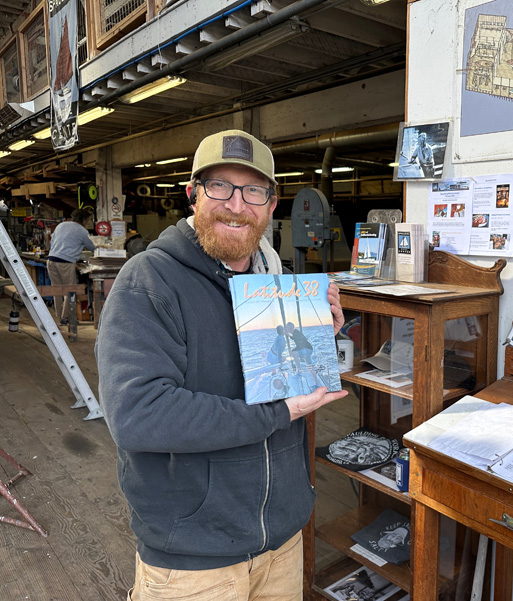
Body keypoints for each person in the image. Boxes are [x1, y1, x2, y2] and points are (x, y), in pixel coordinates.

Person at [95, 129, 348, 601]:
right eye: (220, 187)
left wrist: (316, 338)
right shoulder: (149, 282)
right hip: (195, 561)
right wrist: (279, 413)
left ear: (271, 205)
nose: (236, 205)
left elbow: (278, 379)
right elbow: (139, 415)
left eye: (253, 190)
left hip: (283, 543)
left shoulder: (278, 282)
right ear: (192, 195)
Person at [47, 208, 95, 325]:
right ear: (84, 219)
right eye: (88, 220)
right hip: (65, 262)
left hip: (51, 260)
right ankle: (65, 318)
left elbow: (51, 242)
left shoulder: (61, 225)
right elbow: (92, 247)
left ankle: (58, 317)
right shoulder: (82, 231)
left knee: (57, 290)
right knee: (70, 291)